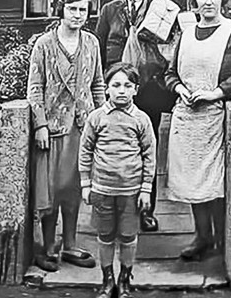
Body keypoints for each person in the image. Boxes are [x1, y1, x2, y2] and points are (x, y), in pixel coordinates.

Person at [165, 0, 231, 261]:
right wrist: (181, 89)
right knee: (192, 180)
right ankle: (202, 237)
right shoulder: (187, 33)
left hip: (216, 115)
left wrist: (215, 93)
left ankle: (223, 240)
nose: (208, 2)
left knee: (215, 182)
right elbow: (170, 73)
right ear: (195, 0)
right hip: (187, 117)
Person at [95, 0, 180, 230]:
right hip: (117, 93)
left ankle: (146, 210)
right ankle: (117, 209)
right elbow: (98, 52)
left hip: (150, 91)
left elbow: (174, 49)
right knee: (116, 148)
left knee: (147, 149)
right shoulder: (110, 10)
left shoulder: (164, 8)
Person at [27, 0, 106, 272]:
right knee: (51, 189)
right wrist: (40, 125)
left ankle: (70, 244)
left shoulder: (92, 43)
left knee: (74, 187)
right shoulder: (44, 44)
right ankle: (49, 246)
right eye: (72, 9)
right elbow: (35, 88)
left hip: (82, 127)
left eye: (83, 9)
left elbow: (98, 84)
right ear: (61, 10)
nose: (78, 15)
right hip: (53, 129)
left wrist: (102, 121)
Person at [79, 62, 156, 298]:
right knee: (105, 235)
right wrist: (85, 183)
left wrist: (146, 189)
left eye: (127, 85)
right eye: (116, 85)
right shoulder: (96, 118)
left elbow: (149, 154)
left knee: (128, 236)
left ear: (136, 89)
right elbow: (85, 150)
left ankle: (124, 279)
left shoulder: (141, 119)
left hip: (131, 191)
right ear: (107, 89)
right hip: (102, 189)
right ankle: (107, 279)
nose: (122, 90)